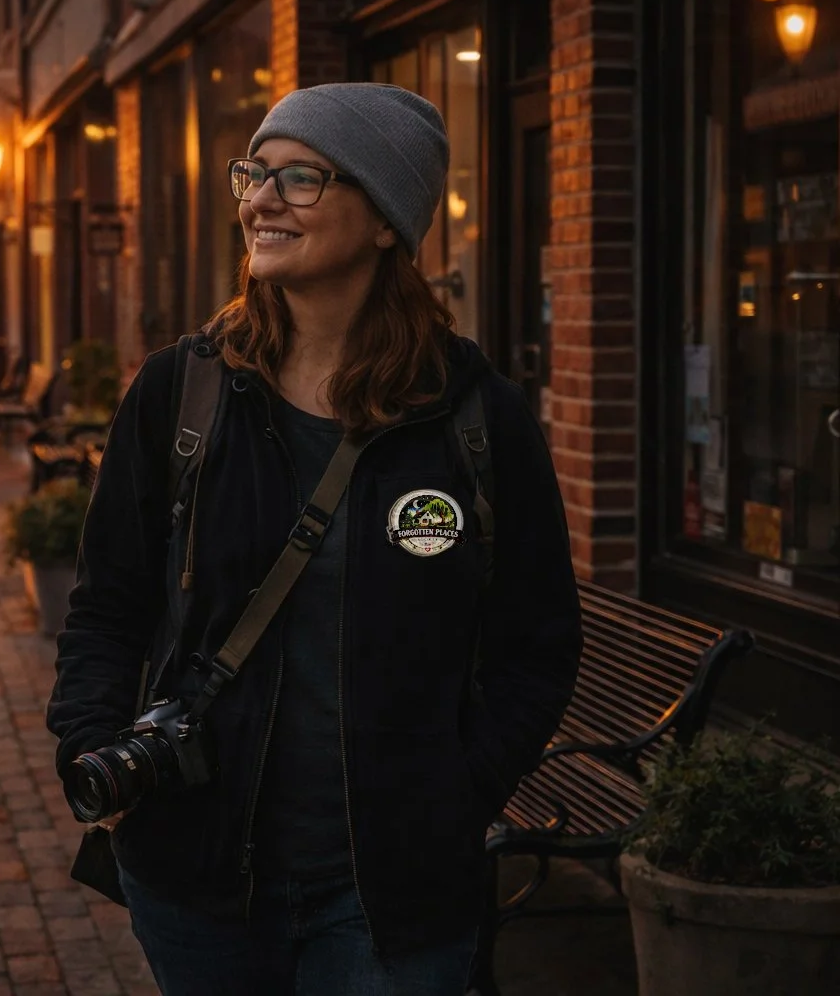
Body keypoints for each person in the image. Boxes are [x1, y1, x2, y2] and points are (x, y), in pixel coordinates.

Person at [46, 83, 582, 995]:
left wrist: (455, 799)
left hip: (390, 894)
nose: (259, 199)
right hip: (196, 876)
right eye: (253, 174)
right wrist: (96, 744)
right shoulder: (180, 396)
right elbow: (107, 607)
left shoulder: (473, 420)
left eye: (298, 179)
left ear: (385, 220)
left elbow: (538, 646)